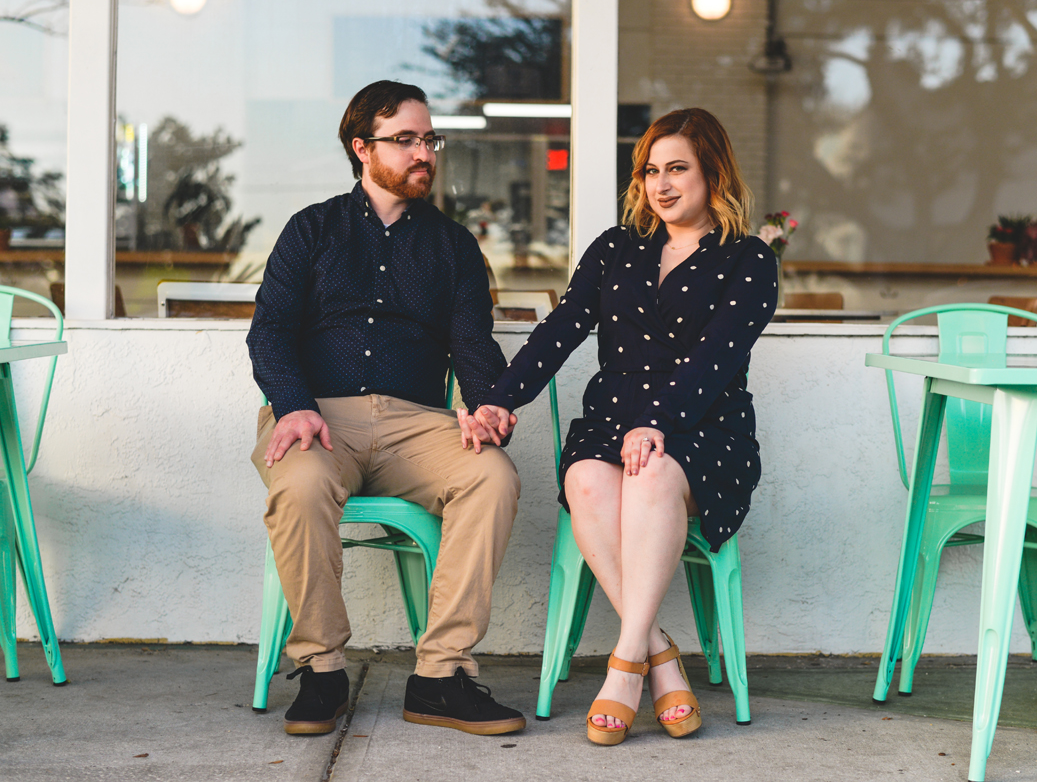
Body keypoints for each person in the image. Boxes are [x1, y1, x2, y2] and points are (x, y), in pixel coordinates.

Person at [462, 108, 777, 745]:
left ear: (712, 173)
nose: (662, 185)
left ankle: (624, 668)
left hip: (705, 429)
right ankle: (659, 652)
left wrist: (658, 423)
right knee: (584, 478)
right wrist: (500, 399)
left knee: (652, 475)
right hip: (612, 421)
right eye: (651, 171)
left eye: (678, 169)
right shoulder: (616, 248)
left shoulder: (749, 260)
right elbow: (560, 332)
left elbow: (716, 359)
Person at [247, 80, 525, 737]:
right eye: (406, 139)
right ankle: (321, 667)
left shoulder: (454, 245)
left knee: (492, 475)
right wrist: (291, 405)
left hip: (415, 426)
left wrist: (484, 405)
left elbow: (472, 340)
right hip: (319, 417)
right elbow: (270, 330)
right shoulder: (311, 229)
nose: (423, 152)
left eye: (429, 139)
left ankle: (440, 675)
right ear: (361, 147)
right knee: (302, 480)